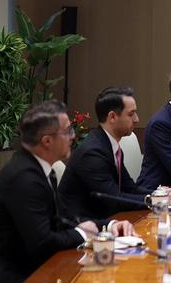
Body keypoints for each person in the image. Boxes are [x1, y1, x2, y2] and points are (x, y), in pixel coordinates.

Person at [0, 101, 135, 283]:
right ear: (46, 141)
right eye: (68, 130)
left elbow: (61, 220)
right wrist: (83, 234)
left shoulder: (42, 169)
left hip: (23, 269)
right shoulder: (24, 178)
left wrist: (108, 225)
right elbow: (42, 243)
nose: (73, 136)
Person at [59, 87, 149, 221]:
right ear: (112, 117)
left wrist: (159, 196)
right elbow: (114, 199)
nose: (137, 119)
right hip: (82, 229)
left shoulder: (111, 146)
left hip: (107, 220)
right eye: (131, 114)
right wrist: (153, 202)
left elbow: (129, 188)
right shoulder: (92, 153)